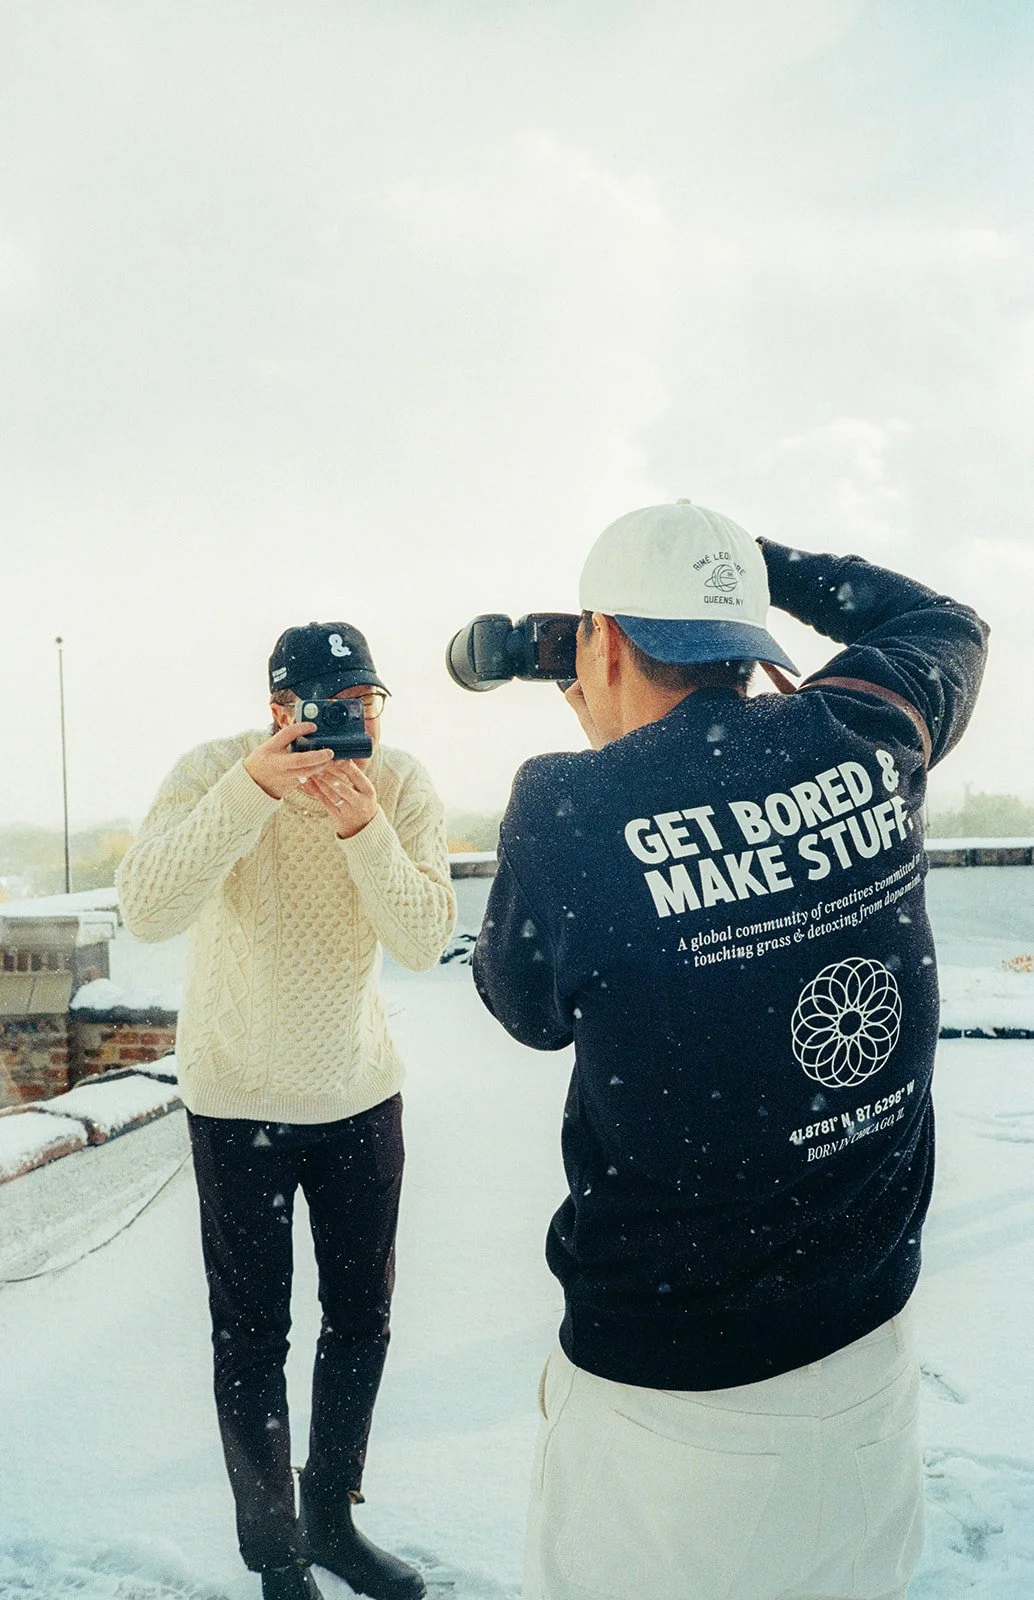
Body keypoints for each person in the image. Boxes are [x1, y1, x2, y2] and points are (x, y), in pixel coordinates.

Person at [472, 502, 989, 1600]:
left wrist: (616, 769)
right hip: (864, 1354)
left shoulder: (567, 802)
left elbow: (523, 1002)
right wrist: (761, 566)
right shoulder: (863, 728)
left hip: (667, 1403)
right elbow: (943, 620)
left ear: (600, 642)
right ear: (749, 640)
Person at [117, 622, 456, 1600]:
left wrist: (364, 831)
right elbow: (147, 908)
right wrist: (249, 792)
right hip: (236, 1101)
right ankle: (275, 1558)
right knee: (250, 1333)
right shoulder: (212, 771)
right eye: (332, 707)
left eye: (369, 704)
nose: (356, 725)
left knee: (360, 1319)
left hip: (357, 1095)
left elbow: (425, 939)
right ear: (280, 710)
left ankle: (333, 1523)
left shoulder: (401, 786)